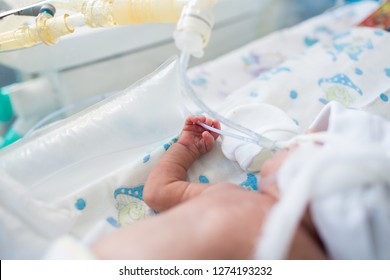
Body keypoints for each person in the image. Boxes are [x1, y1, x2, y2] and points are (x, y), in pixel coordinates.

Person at [90, 115, 326, 259]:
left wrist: (186, 149)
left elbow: (158, 192)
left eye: (294, 148)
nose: (292, 142)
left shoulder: (239, 202)